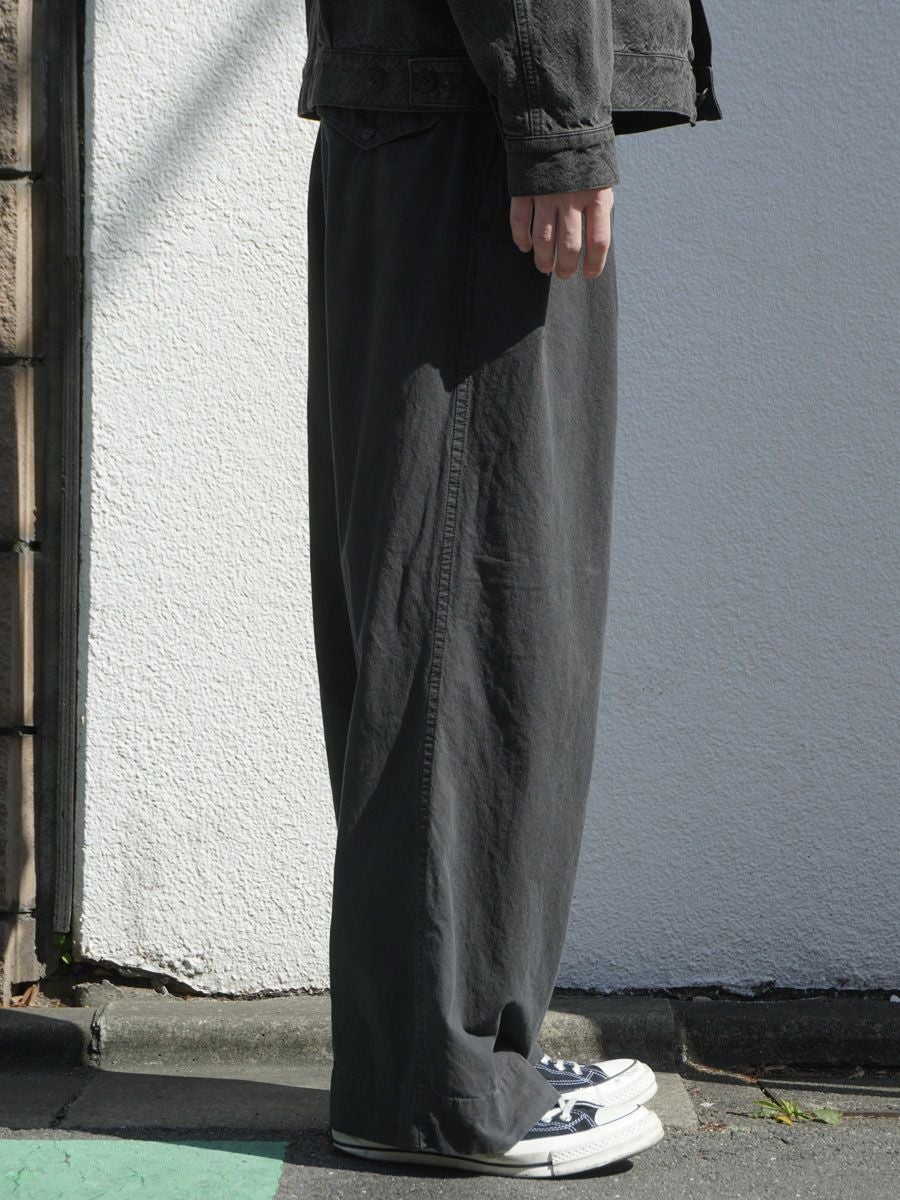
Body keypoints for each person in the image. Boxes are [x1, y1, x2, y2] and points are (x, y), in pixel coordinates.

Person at [298, 0, 721, 1179]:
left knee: (442, 602)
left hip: (444, 112)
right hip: (472, 124)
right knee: (471, 611)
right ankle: (446, 1089)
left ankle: (444, 1066)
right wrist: (556, 119)